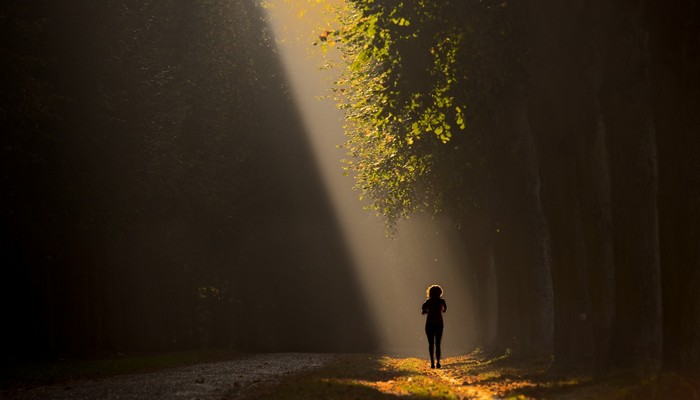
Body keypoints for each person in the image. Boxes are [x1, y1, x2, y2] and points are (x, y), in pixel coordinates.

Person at [421, 284, 447, 368]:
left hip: (429, 323)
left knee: (431, 344)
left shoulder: (428, 301)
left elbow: (423, 312)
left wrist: (429, 310)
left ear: (430, 292)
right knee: (438, 344)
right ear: (440, 292)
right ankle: (438, 362)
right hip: (439, 323)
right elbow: (444, 310)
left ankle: (432, 362)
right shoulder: (442, 301)